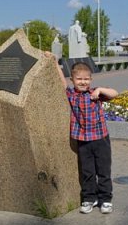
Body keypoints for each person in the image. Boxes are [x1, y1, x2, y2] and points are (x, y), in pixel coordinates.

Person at [47, 52, 119, 214]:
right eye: (79, 79)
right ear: (73, 80)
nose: (83, 82)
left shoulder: (96, 94)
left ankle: (105, 199)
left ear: (91, 80)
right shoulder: (71, 95)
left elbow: (115, 93)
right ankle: (89, 198)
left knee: (103, 170)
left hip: (101, 139)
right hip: (83, 140)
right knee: (87, 172)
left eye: (86, 79)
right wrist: (54, 62)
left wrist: (100, 89)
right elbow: (61, 81)